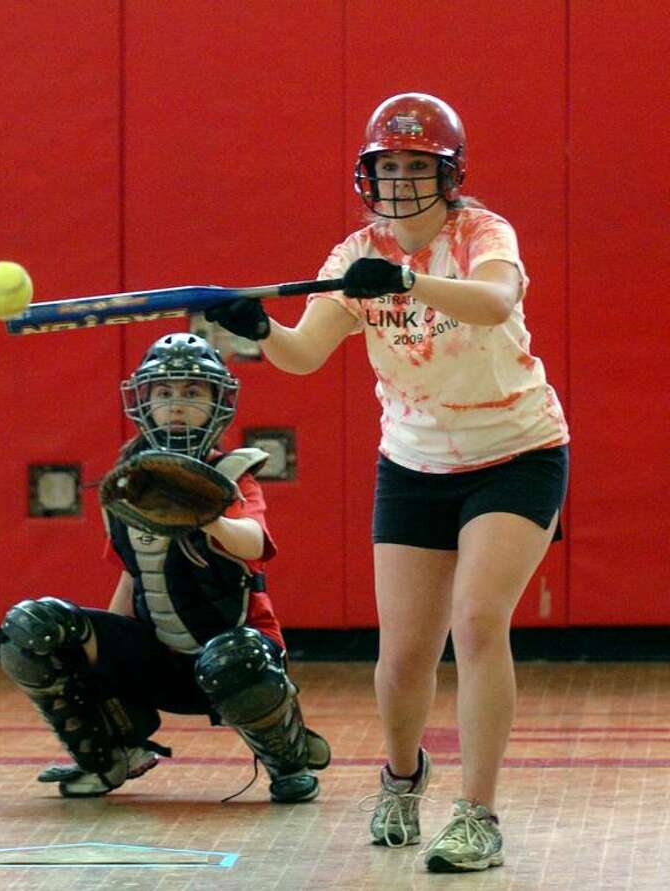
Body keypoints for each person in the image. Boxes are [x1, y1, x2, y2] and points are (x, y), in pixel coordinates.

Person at [204, 92, 569, 872]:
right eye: (389, 165)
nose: (402, 180)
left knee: (476, 621)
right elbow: (304, 354)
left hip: (517, 452)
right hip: (413, 463)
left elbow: (497, 297)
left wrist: (407, 284)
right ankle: (402, 778)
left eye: (418, 165)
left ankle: (478, 814)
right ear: (368, 174)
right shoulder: (351, 256)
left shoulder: (481, 233)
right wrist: (258, 328)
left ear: (449, 172)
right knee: (405, 653)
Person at [0, 332, 331, 803]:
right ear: (144, 401)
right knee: (32, 626)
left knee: (238, 657)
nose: (176, 404)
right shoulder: (129, 479)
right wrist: (101, 667)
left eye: (192, 393)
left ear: (218, 401)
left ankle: (286, 755)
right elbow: (133, 575)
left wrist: (207, 516)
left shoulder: (233, 474)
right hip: (158, 656)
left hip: (229, 654)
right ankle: (108, 752)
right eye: (163, 392)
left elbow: (253, 542)